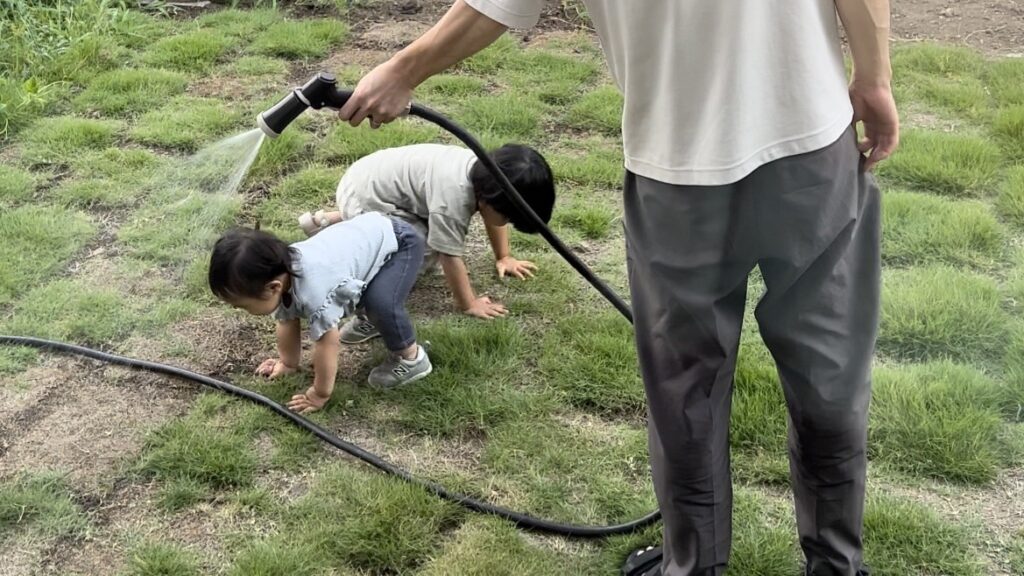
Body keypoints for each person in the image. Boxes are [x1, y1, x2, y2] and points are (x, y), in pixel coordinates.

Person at [334, 0, 899, 574]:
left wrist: (403, 71)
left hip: (677, 168)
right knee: (828, 371)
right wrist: (874, 78)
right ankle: (837, 567)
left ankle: (694, 567)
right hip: (809, 146)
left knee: (685, 389)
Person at [297, 142, 556, 330]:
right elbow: (449, 255)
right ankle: (351, 235)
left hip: (371, 181)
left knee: (420, 230)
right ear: (488, 201)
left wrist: (505, 256)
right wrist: (469, 303)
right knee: (418, 250)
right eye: (509, 218)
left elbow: (496, 215)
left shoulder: (485, 174)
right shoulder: (452, 201)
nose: (507, 223)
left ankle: (328, 220)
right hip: (366, 195)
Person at [208, 212, 431, 414]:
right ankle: (373, 322)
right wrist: (288, 363)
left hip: (399, 243)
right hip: (369, 236)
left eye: (243, 305)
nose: (240, 310)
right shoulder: (282, 270)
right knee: (368, 295)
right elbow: (287, 320)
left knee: (381, 303)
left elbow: (327, 343)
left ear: (274, 287)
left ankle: (411, 357)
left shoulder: (314, 291)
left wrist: (319, 393)